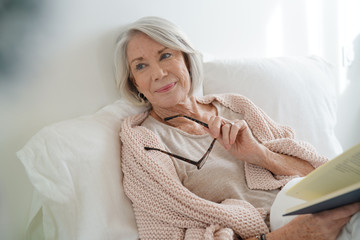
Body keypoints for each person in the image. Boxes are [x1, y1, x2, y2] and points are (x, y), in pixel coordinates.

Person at [115, 16, 360, 240]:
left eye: (165, 55)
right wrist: (295, 235)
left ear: (187, 60)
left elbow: (314, 174)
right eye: (141, 66)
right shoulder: (145, 145)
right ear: (134, 83)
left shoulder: (236, 107)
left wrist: (260, 155)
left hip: (316, 206)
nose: (158, 73)